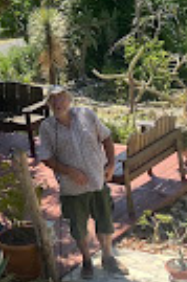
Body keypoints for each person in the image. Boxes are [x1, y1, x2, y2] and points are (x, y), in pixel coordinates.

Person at [38, 86, 128, 280]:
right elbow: (46, 157)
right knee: (78, 227)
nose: (58, 103)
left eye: (61, 98)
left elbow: (106, 137)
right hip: (72, 188)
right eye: (53, 100)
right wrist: (69, 171)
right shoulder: (47, 127)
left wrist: (111, 164)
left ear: (69, 100)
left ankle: (107, 256)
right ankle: (87, 260)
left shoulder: (86, 114)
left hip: (97, 181)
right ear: (49, 104)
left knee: (104, 220)